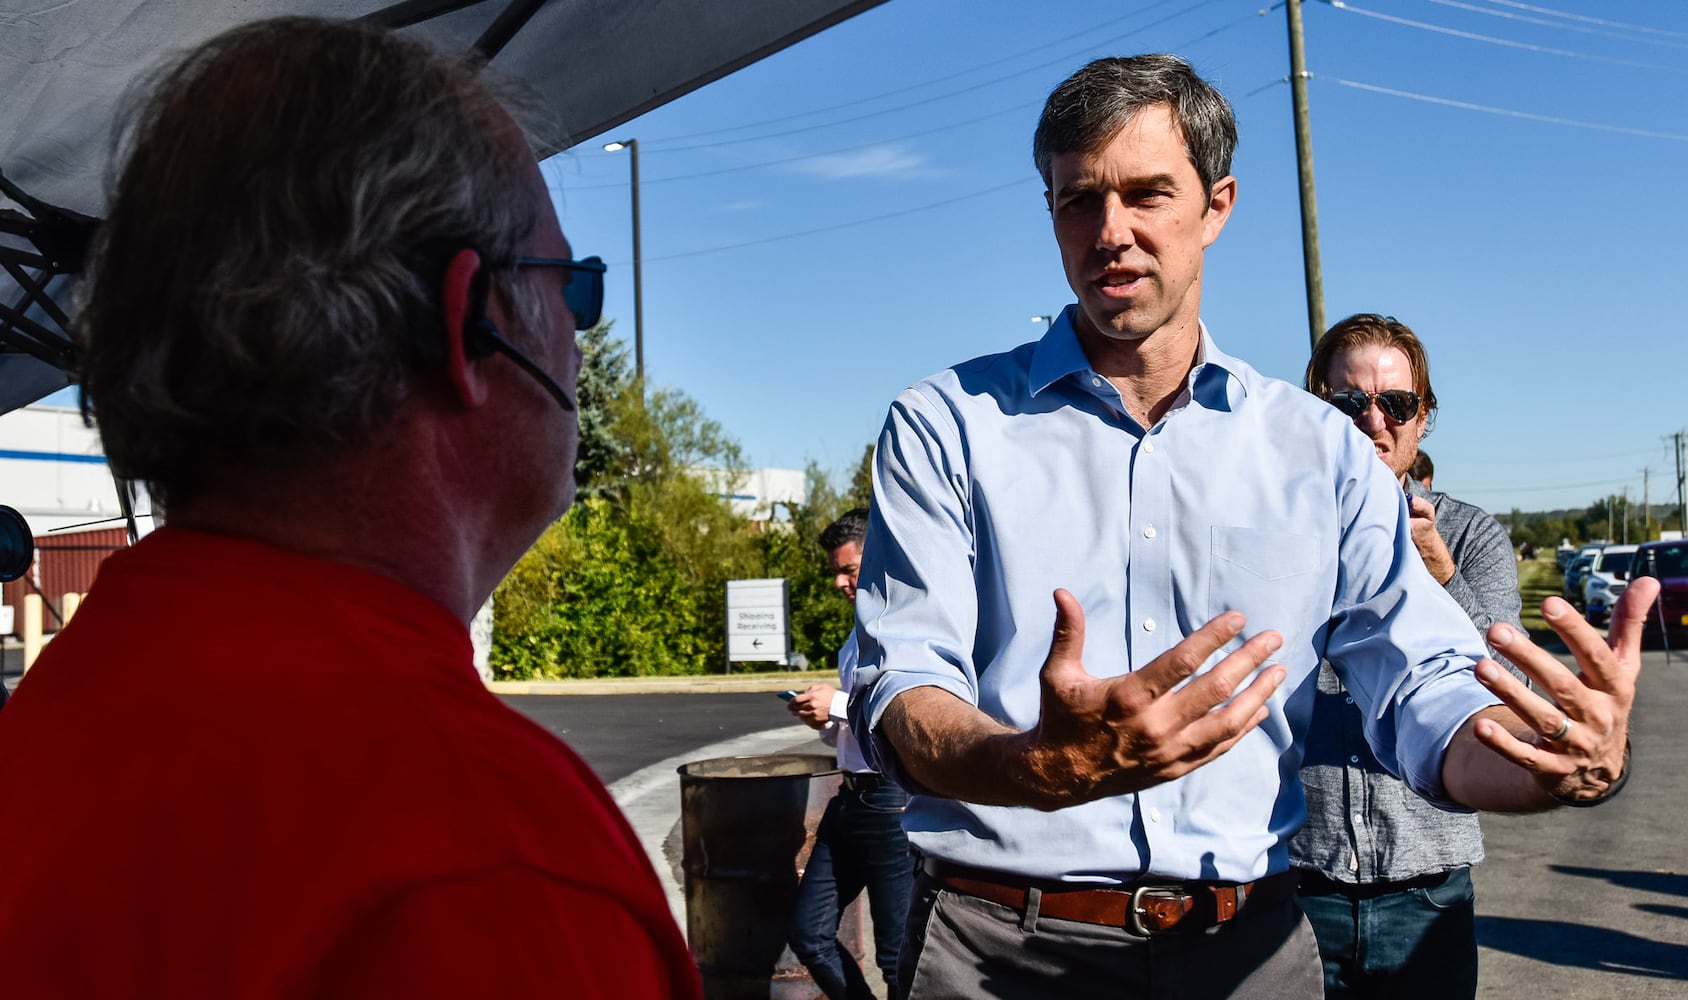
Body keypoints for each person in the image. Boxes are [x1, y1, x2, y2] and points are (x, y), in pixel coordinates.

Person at [848, 54, 1649, 999]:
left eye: (1149, 193)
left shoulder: (1321, 452)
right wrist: (1032, 765)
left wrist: (1551, 762)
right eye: (1079, 201)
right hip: (999, 950)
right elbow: (900, 687)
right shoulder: (947, 424)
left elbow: (1422, 688)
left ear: (1216, 206)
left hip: (1248, 952)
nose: (1112, 232)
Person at [0, 18, 699, 998]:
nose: (581, 346)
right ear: (467, 322)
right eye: (571, 288)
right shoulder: (483, 857)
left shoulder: (56, 722)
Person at [1292, 314, 1525, 998]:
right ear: (1317, 413)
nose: (1373, 422)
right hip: (1298, 886)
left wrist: (1443, 580)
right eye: (1348, 403)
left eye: (1395, 403)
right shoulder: (1280, 533)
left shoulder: (1472, 534)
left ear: (1424, 418)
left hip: (1429, 890)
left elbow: (1507, 693)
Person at [786, 508, 914, 999]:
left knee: (896, 955)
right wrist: (824, 721)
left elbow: (908, 715)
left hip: (890, 801)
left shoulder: (906, 628)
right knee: (808, 934)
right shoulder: (850, 641)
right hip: (852, 797)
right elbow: (854, 732)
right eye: (836, 572)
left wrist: (837, 703)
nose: (840, 582)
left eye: (850, 570)